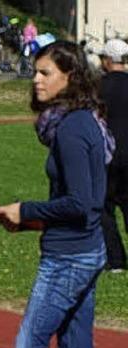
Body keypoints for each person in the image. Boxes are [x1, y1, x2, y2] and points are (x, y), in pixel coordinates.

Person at [0, 41, 115, 348]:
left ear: (70, 76)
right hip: (85, 248)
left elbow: (81, 202)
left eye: (45, 73)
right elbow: (82, 202)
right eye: (35, 71)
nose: (36, 80)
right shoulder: (83, 121)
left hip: (70, 258)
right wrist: (32, 221)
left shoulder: (71, 128)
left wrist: (26, 209)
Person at [99, 38, 128, 272]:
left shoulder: (98, 87)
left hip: (107, 154)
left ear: (108, 60)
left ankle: (115, 258)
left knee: (105, 207)